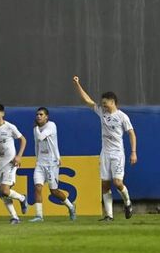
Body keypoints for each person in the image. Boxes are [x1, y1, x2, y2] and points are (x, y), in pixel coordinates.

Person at [72, 76, 137, 221]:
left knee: (117, 183)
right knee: (105, 184)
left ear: (113, 102)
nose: (103, 106)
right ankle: (109, 215)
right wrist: (77, 84)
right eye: (102, 104)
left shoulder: (122, 117)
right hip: (105, 153)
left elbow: (131, 133)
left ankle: (127, 202)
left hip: (117, 153)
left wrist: (133, 152)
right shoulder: (102, 113)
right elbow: (87, 100)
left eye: (105, 104)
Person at [29, 107, 76, 222]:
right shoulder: (36, 129)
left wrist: (58, 157)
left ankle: (71, 206)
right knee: (37, 187)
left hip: (52, 163)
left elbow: (40, 137)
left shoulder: (51, 125)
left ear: (46, 117)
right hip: (40, 163)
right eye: (37, 115)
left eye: (41, 114)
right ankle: (39, 216)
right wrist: (37, 158)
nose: (38, 116)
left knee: (54, 191)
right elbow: (37, 144)